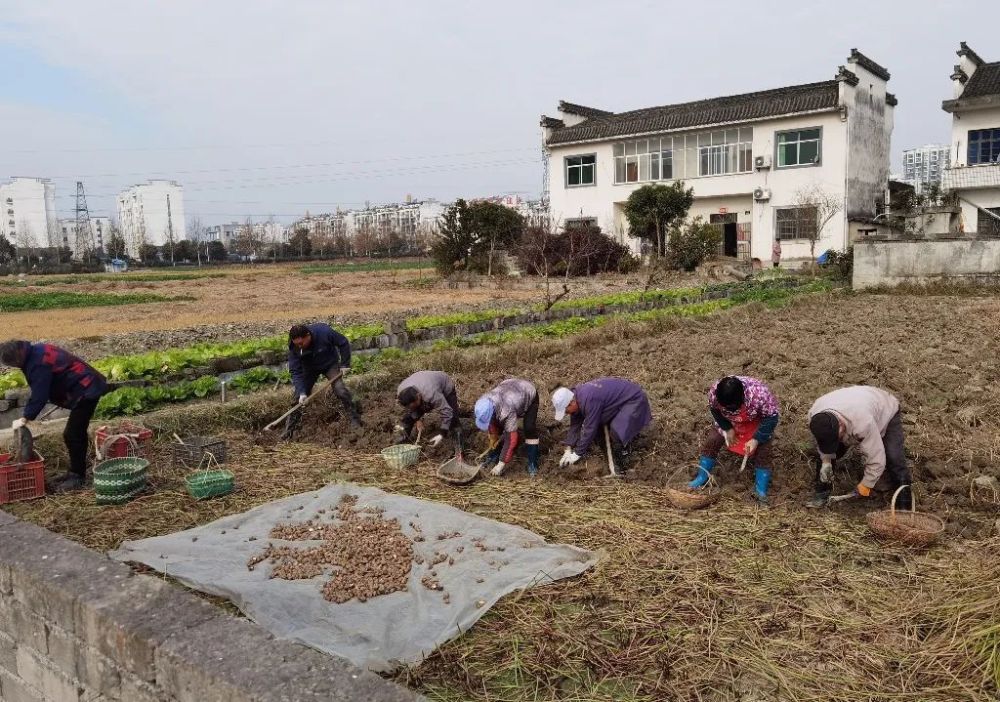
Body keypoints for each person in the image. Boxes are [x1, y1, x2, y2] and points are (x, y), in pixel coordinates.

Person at [0, 340, 108, 493]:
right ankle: (75, 471)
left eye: (12, 364)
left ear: (17, 357)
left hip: (86, 389)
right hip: (84, 387)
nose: (14, 367)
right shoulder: (34, 351)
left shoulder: (37, 363)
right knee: (76, 432)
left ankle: (78, 476)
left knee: (72, 434)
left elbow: (40, 394)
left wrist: (25, 418)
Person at [807, 386, 912, 509]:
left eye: (837, 437)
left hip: (884, 407)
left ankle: (904, 505)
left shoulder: (862, 422)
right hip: (852, 403)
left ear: (840, 424)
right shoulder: (814, 417)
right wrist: (826, 462)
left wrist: (866, 484)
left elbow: (876, 458)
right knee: (833, 451)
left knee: (893, 456)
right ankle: (822, 492)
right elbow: (822, 443)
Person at [689, 375, 780, 503]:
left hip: (756, 421)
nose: (728, 409)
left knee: (763, 451)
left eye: (732, 407)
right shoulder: (714, 393)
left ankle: (761, 491)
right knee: (713, 439)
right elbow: (715, 410)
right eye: (725, 407)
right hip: (730, 422)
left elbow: (772, 417)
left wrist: (756, 439)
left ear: (742, 398)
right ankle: (702, 477)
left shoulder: (759, 394)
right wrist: (727, 428)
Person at [551, 377, 652, 476]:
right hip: (615, 401)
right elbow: (575, 426)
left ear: (571, 403)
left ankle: (623, 462)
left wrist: (577, 454)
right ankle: (611, 458)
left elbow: (590, 428)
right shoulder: (576, 398)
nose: (566, 414)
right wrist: (568, 449)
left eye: (565, 411)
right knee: (599, 433)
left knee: (617, 431)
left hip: (633, 399)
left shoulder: (589, 400)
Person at [285, 323, 361, 439]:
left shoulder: (324, 332)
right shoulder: (294, 346)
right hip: (309, 369)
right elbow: (295, 371)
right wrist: (302, 392)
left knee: (340, 390)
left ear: (308, 335)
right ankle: (289, 431)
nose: (299, 346)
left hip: (330, 364)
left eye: (301, 343)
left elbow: (343, 342)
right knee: (296, 399)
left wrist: (345, 364)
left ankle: (355, 418)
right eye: (297, 344)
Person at [474, 378, 539, 477]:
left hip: (527, 392)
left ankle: (533, 462)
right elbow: (491, 422)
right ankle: (494, 455)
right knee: (498, 426)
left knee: (529, 428)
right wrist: (493, 437)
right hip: (508, 387)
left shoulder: (506, 411)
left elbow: (512, 439)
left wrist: (501, 464)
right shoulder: (483, 403)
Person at [395, 370, 463, 458]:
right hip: (423, 383)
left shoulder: (431, 393)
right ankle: (401, 445)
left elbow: (447, 411)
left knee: (453, 418)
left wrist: (442, 431)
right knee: (408, 418)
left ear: (419, 396)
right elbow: (410, 409)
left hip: (445, 385)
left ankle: (459, 449)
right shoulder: (401, 392)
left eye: (414, 405)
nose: (411, 408)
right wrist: (417, 419)